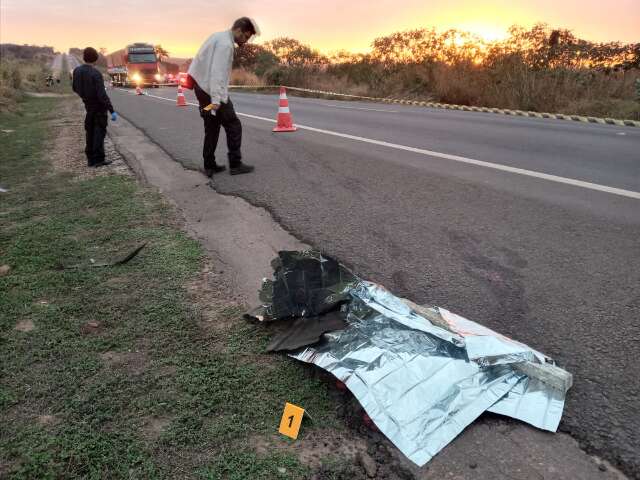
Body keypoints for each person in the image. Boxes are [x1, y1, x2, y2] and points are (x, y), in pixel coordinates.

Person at [188, 17, 259, 177]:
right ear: (239, 30)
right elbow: (217, 74)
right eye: (246, 36)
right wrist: (215, 101)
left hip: (201, 89)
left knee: (211, 126)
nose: (246, 41)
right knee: (233, 124)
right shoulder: (226, 45)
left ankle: (209, 165)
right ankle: (235, 164)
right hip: (211, 92)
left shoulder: (217, 36)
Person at [72, 47, 117, 168]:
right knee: (99, 132)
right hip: (99, 108)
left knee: (89, 131)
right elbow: (102, 95)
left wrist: (84, 96)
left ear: (84, 57)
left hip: (88, 106)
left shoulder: (77, 71)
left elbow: (74, 88)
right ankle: (98, 159)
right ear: (95, 59)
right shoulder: (95, 73)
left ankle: (90, 159)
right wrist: (111, 110)